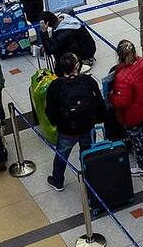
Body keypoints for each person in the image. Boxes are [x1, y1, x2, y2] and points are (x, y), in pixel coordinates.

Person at [45, 52, 106, 191]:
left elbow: (50, 110)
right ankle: (89, 179)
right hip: (88, 126)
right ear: (77, 66)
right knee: (87, 153)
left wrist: (57, 123)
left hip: (67, 130)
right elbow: (99, 102)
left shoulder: (55, 86)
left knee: (62, 154)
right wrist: (98, 118)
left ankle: (58, 180)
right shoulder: (88, 81)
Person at [110, 40, 143, 176]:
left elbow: (122, 102)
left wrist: (111, 97)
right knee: (142, 133)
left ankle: (142, 166)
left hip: (134, 115)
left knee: (137, 139)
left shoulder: (122, 77)